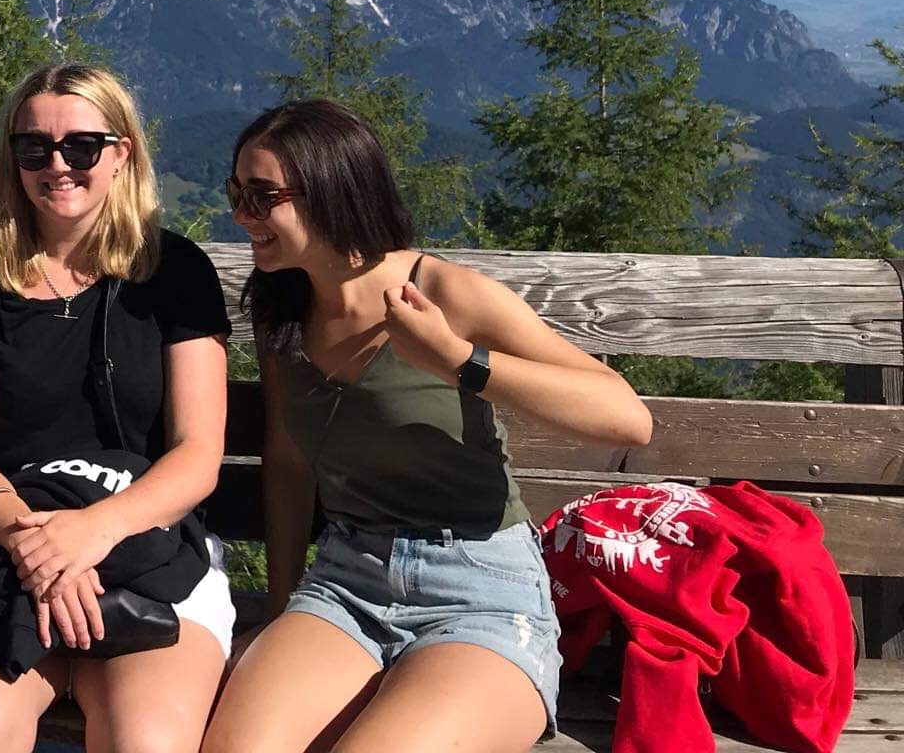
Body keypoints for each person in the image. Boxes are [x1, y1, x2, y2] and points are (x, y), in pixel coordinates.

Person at [202, 98, 655, 753]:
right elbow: (290, 460)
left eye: (261, 196)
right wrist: (280, 612)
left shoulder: (442, 293)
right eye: (236, 192)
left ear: (332, 191)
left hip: (480, 590)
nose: (241, 215)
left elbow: (626, 417)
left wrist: (457, 361)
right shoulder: (285, 312)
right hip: (346, 584)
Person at [0, 62, 235, 753]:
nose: (57, 165)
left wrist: (93, 533)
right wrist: (37, 547)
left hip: (149, 543)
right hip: (3, 544)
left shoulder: (174, 275)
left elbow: (198, 454)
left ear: (122, 153)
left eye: (81, 147)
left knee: (145, 744)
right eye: (34, 148)